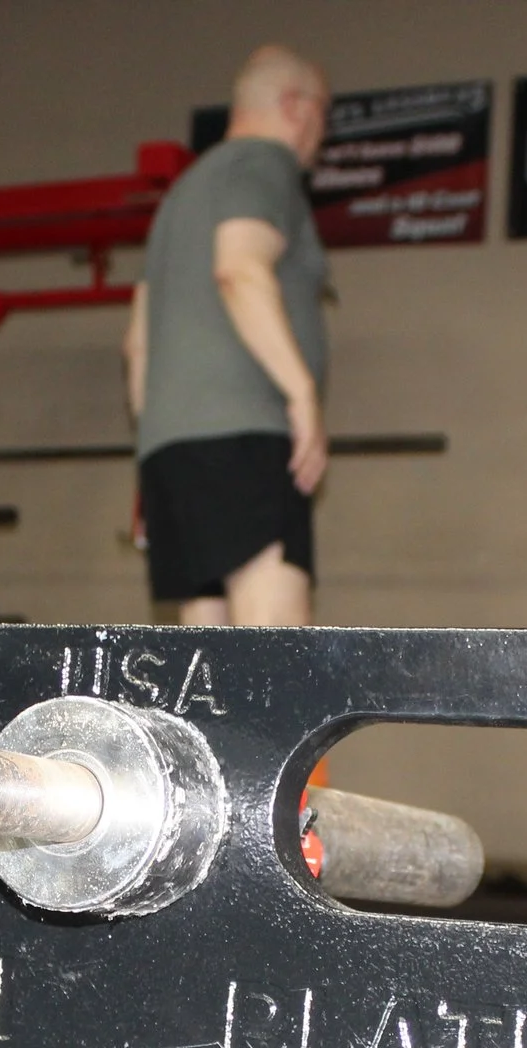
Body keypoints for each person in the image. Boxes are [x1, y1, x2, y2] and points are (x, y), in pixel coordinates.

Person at [125, 46, 330, 626]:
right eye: (322, 112)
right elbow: (239, 268)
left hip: (173, 451)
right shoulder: (265, 165)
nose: (324, 131)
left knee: (207, 675)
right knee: (273, 673)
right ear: (294, 107)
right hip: (245, 441)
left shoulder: (181, 197)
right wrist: (301, 392)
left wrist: (154, 452)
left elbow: (137, 345)